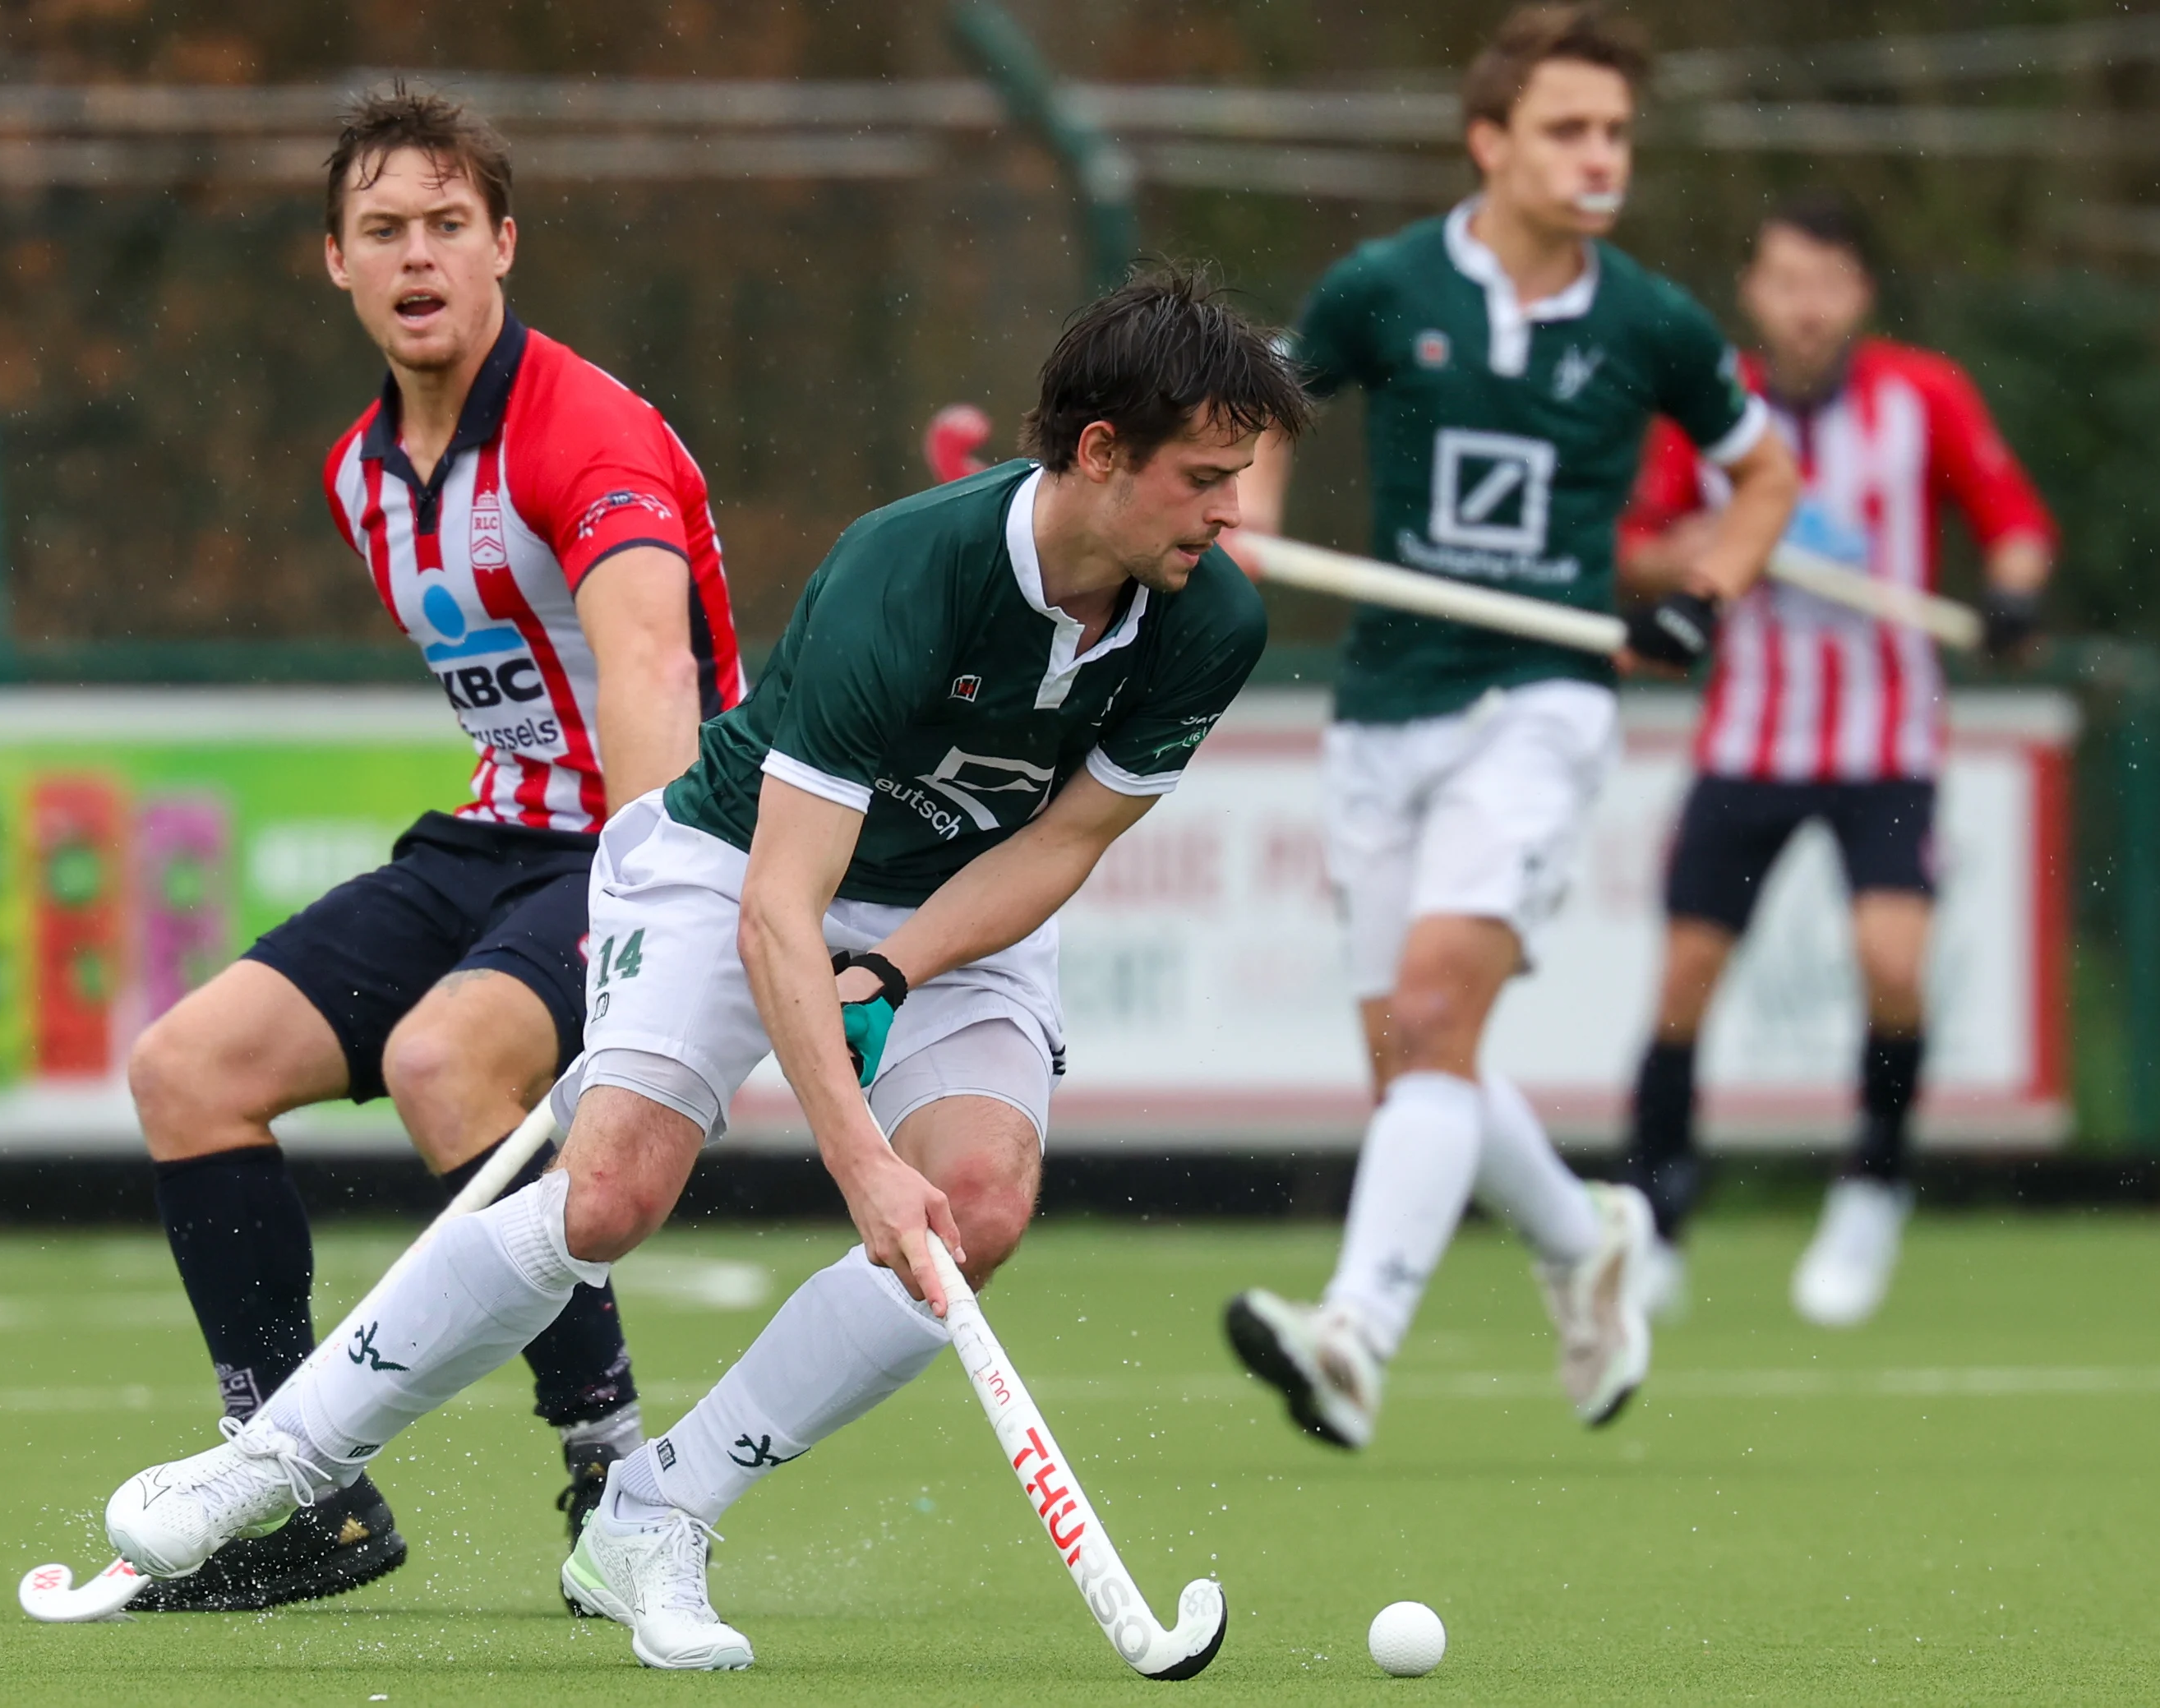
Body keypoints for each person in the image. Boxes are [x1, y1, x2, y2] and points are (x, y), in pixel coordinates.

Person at [94, 270, 1307, 1669]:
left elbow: (1067, 842)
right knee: (607, 1193)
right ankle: (280, 1462)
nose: (1229, 517)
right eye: (1206, 480)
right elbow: (780, 909)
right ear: (1100, 454)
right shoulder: (904, 570)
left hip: (956, 907)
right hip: (734, 861)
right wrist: (857, 1156)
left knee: (968, 1209)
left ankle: (655, 1511)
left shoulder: (1210, 620)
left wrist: (899, 970)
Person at [120, 87, 745, 1611]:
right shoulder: (361, 473)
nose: (419, 258)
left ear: (503, 245)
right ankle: (294, 1489)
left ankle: (612, 1469)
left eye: (448, 226)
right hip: (488, 835)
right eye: (384, 230)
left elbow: (655, 676)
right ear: (334, 260)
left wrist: (654, 916)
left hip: (642, 843)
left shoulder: (581, 430)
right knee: (186, 1071)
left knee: (441, 1061)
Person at [1220, 3, 1800, 1450]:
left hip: (1539, 703)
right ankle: (1583, 1234)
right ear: (1491, 144)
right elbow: (1267, 407)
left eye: (1614, 133)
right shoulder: (1384, 285)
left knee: (1431, 1021)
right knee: (1418, 1064)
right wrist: (1256, 516)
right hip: (1385, 705)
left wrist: (1711, 588)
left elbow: (1765, 473)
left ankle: (1353, 1336)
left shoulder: (1650, 324)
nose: (1599, 157)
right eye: (1567, 130)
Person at [1617, 191, 2056, 1328]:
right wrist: (1703, 553)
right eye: (1782, 283)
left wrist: (2011, 590)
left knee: (1892, 960)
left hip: (1884, 742)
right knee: (1681, 981)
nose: (1803, 309)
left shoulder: (1923, 398)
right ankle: (1656, 1213)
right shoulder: (1708, 407)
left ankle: (1872, 1182)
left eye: (1826, 285)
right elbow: (1634, 549)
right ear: (1754, 293)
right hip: (1747, 739)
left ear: (1857, 294)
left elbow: (2011, 520)